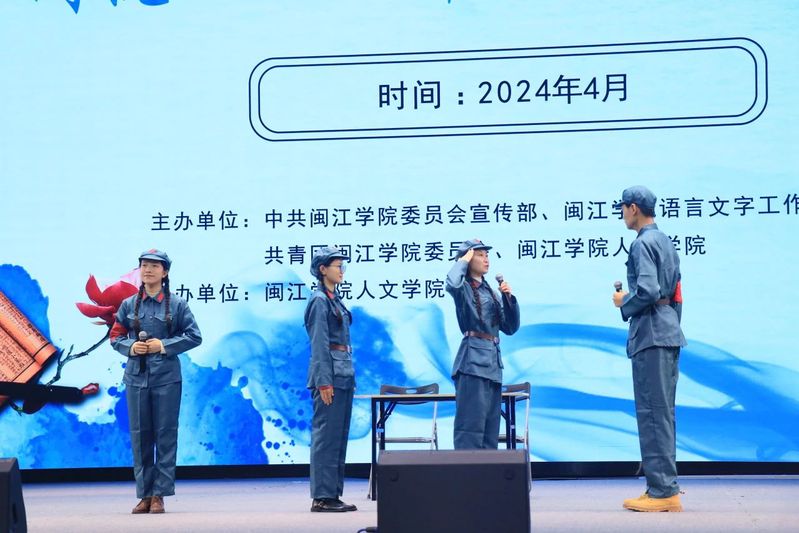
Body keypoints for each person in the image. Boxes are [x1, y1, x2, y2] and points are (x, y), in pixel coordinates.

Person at [110, 249, 202, 514]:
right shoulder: (129, 304)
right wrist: (130, 347)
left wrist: (162, 345)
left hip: (167, 378)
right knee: (140, 436)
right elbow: (115, 336)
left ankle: (160, 494)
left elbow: (194, 336)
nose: (148, 270)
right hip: (136, 377)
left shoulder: (177, 305)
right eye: (144, 265)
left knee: (165, 435)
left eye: (154, 266)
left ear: (165, 272)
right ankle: (144, 494)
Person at [612, 186, 686, 512]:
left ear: (633, 208)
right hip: (668, 331)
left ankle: (662, 491)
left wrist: (623, 302)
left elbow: (648, 290)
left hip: (652, 335)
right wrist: (672, 325)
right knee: (663, 413)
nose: (622, 215)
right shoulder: (666, 241)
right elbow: (676, 293)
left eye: (623, 208)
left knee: (653, 414)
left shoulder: (642, 244)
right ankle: (664, 485)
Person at [446, 239, 520, 449]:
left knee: (490, 431)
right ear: (468, 259)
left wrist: (509, 299)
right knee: (470, 428)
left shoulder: (491, 292)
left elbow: (510, 328)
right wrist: (462, 261)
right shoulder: (464, 288)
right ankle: (467, 471)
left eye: (487, 255)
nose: (486, 259)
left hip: (493, 365)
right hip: (472, 363)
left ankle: (488, 470)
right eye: (479, 255)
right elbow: (452, 283)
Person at [305, 247, 358, 512]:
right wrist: (324, 381)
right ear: (323, 269)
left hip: (343, 374)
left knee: (338, 436)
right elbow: (319, 344)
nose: (341, 270)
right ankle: (322, 497)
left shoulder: (334, 299)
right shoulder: (319, 301)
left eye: (342, 266)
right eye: (337, 266)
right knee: (326, 437)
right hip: (330, 377)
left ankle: (333, 494)